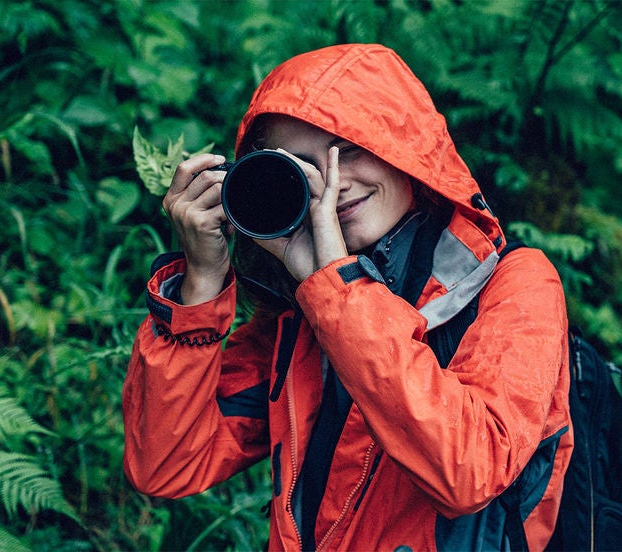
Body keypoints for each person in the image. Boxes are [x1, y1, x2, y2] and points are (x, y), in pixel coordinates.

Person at [122, 43, 573, 551]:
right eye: (302, 165)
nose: (333, 183)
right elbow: (167, 465)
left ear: (408, 150)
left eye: (351, 148)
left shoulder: (516, 284)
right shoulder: (301, 316)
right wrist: (200, 284)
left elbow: (467, 471)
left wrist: (338, 289)